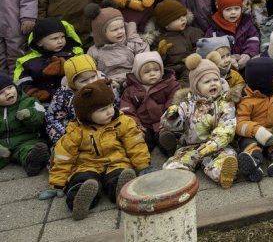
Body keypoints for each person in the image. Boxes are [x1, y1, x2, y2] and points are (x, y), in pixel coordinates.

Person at [47, 79, 150, 220]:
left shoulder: (122, 122)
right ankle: (80, 201)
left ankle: (120, 192)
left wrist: (143, 165)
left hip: (117, 162)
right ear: (87, 114)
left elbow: (135, 144)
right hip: (87, 165)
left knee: (119, 176)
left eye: (111, 106)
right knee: (82, 180)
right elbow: (63, 156)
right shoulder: (76, 131)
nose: (109, 111)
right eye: (102, 110)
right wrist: (58, 182)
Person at [160, 53, 239, 188]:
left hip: (216, 146)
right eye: (207, 81)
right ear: (196, 86)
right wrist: (172, 115)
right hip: (191, 146)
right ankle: (177, 177)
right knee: (177, 161)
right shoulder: (187, 104)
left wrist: (212, 145)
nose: (213, 83)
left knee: (226, 157)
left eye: (216, 79)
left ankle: (223, 173)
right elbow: (171, 125)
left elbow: (227, 127)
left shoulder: (225, 103)